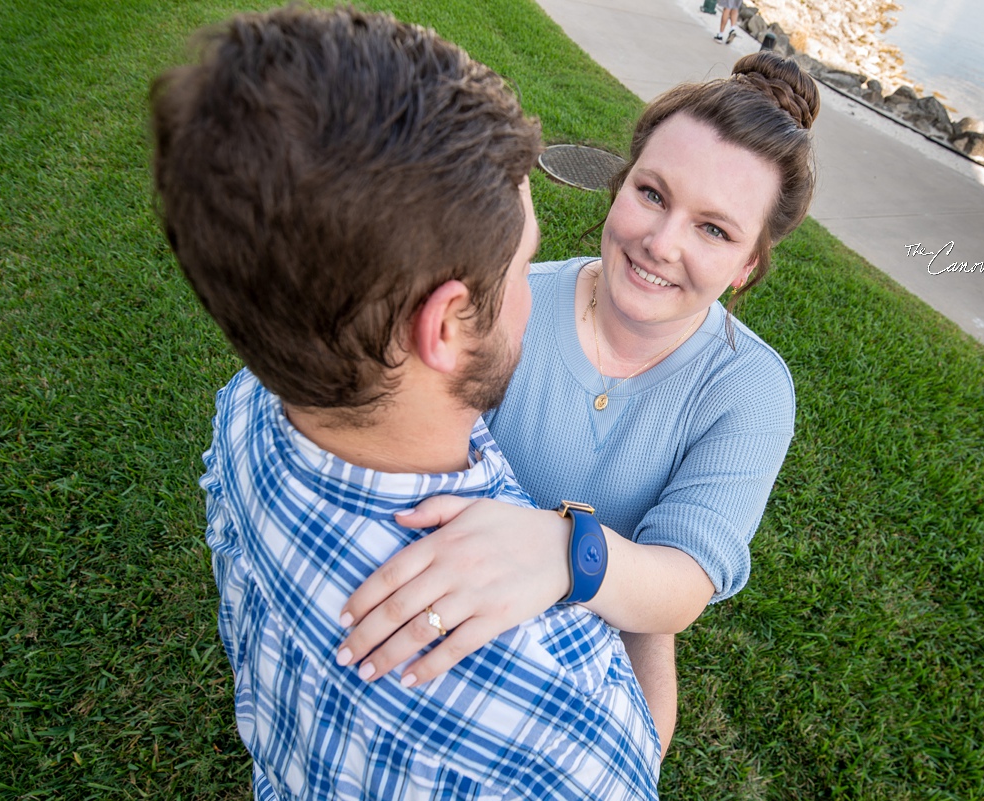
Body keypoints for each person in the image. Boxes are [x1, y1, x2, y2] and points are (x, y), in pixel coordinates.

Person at [151, 6, 660, 798]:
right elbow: (636, 758)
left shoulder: (251, 408)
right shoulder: (560, 717)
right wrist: (630, 594)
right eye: (524, 268)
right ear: (447, 324)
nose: (533, 290)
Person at [336, 51, 821, 757]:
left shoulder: (749, 389)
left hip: (604, 630)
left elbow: (681, 581)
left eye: (714, 230)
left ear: (748, 264)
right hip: (454, 589)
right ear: (621, 184)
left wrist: (568, 554)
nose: (661, 243)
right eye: (652, 194)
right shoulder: (512, 301)